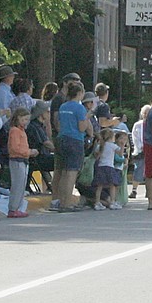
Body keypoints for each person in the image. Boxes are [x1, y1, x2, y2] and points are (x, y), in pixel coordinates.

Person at [52, 81, 91, 212]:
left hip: (62, 138)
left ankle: (61, 200)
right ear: (79, 93)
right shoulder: (80, 108)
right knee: (72, 172)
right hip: (75, 140)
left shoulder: (63, 106)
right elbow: (81, 127)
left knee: (63, 172)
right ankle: (67, 203)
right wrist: (87, 118)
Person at [5, 107, 38, 218]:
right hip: (17, 160)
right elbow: (15, 148)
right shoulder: (15, 131)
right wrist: (29, 152)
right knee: (17, 185)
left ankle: (17, 207)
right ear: (18, 118)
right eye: (24, 119)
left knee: (21, 185)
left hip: (23, 160)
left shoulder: (21, 131)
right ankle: (13, 208)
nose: (26, 122)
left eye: (27, 120)